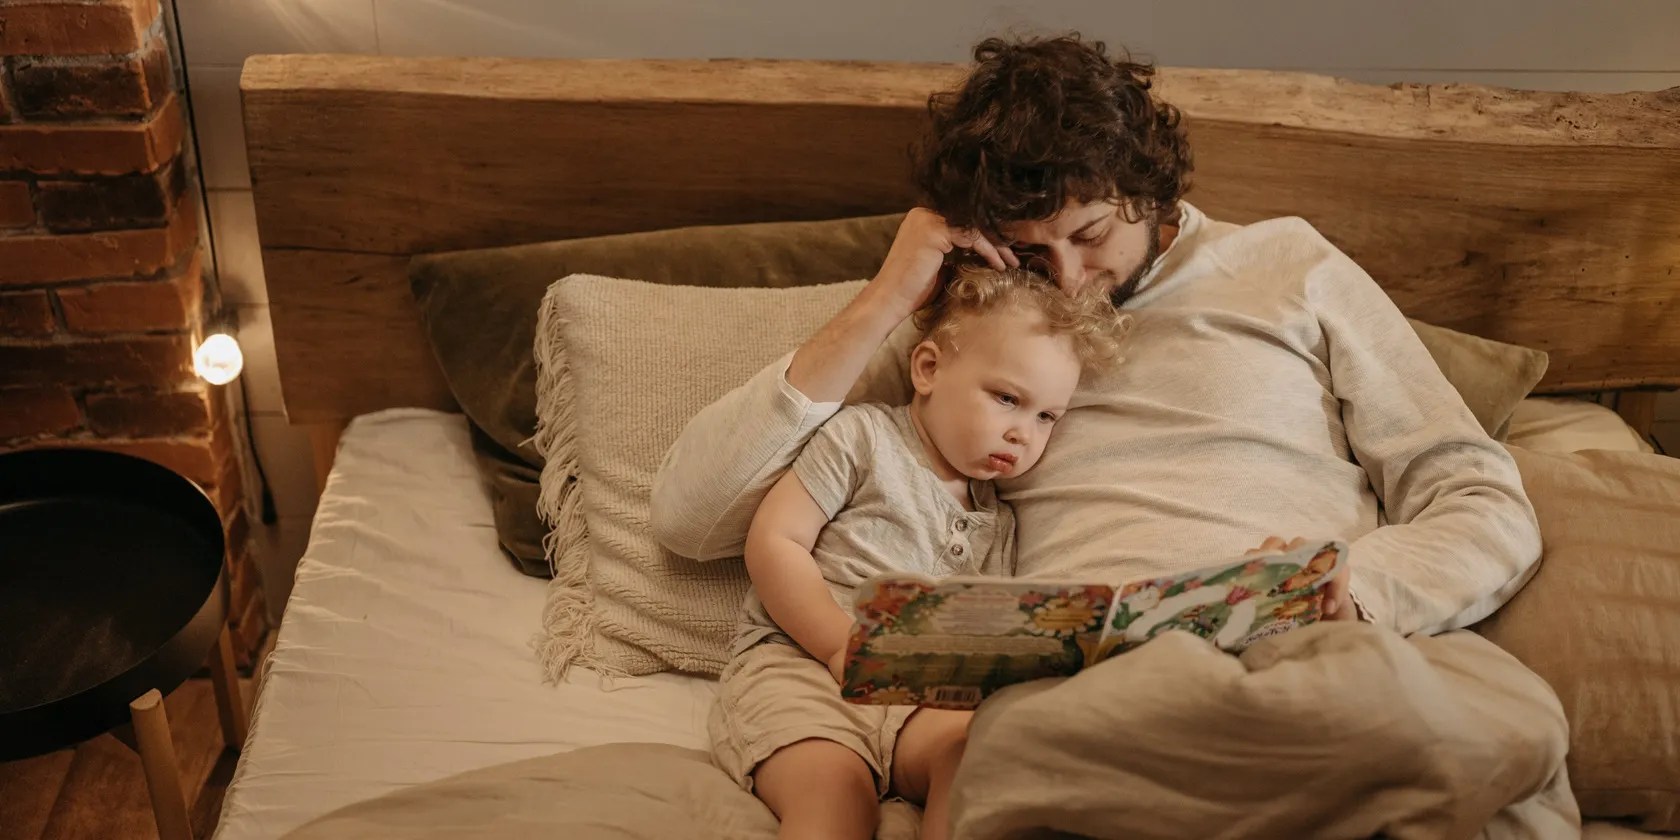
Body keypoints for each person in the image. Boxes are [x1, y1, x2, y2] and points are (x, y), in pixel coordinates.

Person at [657, 34, 1568, 835]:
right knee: (1039, 750)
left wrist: (1358, 590)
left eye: (1089, 235)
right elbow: (690, 517)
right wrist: (891, 294)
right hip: (1088, 684)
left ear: (1146, 184)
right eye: (1033, 253)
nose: (1070, 283)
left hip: (1308, 638)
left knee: (1502, 723)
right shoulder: (984, 325)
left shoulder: (1290, 264)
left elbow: (1480, 498)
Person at [709, 265, 1127, 840]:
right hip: (801, 666)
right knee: (836, 799)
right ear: (928, 369)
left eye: (1046, 416)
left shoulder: (998, 518)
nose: (1023, 433)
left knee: (977, 757)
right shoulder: (863, 438)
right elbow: (775, 541)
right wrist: (839, 645)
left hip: (919, 696)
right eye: (1007, 398)